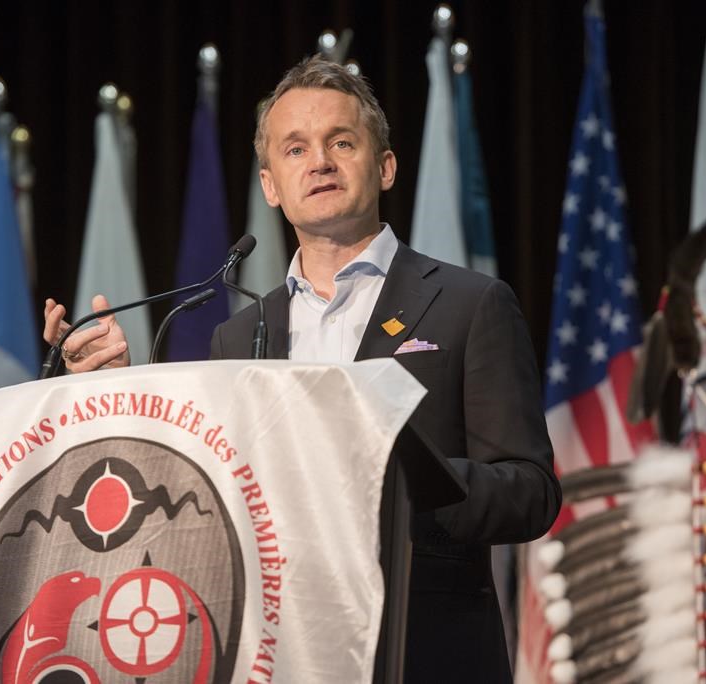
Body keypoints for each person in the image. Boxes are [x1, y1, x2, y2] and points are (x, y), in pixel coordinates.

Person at [44, 55, 560, 682]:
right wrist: (114, 387)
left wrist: (400, 480)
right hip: (280, 654)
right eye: (295, 149)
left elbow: (531, 492)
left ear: (385, 165)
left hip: (426, 650)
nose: (319, 161)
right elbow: (203, 499)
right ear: (271, 185)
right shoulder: (236, 336)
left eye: (341, 142)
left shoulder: (470, 305)